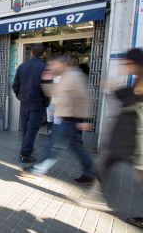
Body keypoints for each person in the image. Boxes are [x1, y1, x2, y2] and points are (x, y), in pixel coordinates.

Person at [74, 49, 143, 228]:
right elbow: (131, 99)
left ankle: (95, 196)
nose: (125, 67)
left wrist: (116, 90)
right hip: (124, 139)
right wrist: (116, 89)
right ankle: (95, 196)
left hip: (135, 142)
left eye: (127, 63)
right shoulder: (137, 80)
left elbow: (133, 103)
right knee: (104, 164)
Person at [19, 55, 96, 185]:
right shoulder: (63, 77)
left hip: (72, 118)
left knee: (53, 146)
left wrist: (84, 119)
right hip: (65, 117)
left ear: (63, 64)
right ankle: (90, 172)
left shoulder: (74, 75)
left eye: (54, 65)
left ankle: (36, 170)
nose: (51, 67)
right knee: (75, 147)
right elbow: (53, 93)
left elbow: (83, 99)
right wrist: (47, 80)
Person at [12, 44, 50, 163]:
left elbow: (15, 85)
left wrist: (19, 96)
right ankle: (25, 153)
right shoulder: (46, 68)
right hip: (37, 103)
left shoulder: (22, 66)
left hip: (24, 102)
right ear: (43, 54)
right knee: (32, 128)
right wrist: (45, 102)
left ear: (32, 53)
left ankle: (27, 148)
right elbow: (48, 89)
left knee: (25, 127)